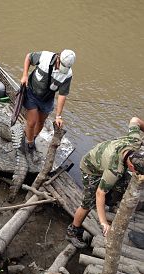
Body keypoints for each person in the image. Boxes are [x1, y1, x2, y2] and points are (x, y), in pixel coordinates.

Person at [66, 117, 144, 248]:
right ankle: (73, 231)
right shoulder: (115, 170)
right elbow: (99, 193)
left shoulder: (135, 142)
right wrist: (103, 222)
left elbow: (135, 119)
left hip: (104, 156)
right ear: (131, 167)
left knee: (124, 185)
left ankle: (110, 202)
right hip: (90, 167)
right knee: (88, 203)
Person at [20, 49, 76, 153]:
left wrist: (58, 116)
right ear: (58, 59)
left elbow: (62, 95)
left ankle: (32, 138)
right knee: (32, 122)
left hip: (47, 98)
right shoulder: (45, 57)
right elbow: (28, 57)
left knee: (41, 121)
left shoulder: (68, 74)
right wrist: (25, 75)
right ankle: (29, 143)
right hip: (32, 93)